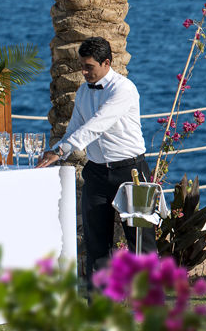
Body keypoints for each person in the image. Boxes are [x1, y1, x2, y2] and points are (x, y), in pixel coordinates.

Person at [37, 36, 147, 281]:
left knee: (140, 241)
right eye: (82, 66)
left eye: (89, 67)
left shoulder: (123, 89)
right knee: (96, 244)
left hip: (130, 171)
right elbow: (75, 127)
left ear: (107, 62)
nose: (84, 72)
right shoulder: (83, 91)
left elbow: (97, 125)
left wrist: (60, 151)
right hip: (96, 172)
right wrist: (55, 150)